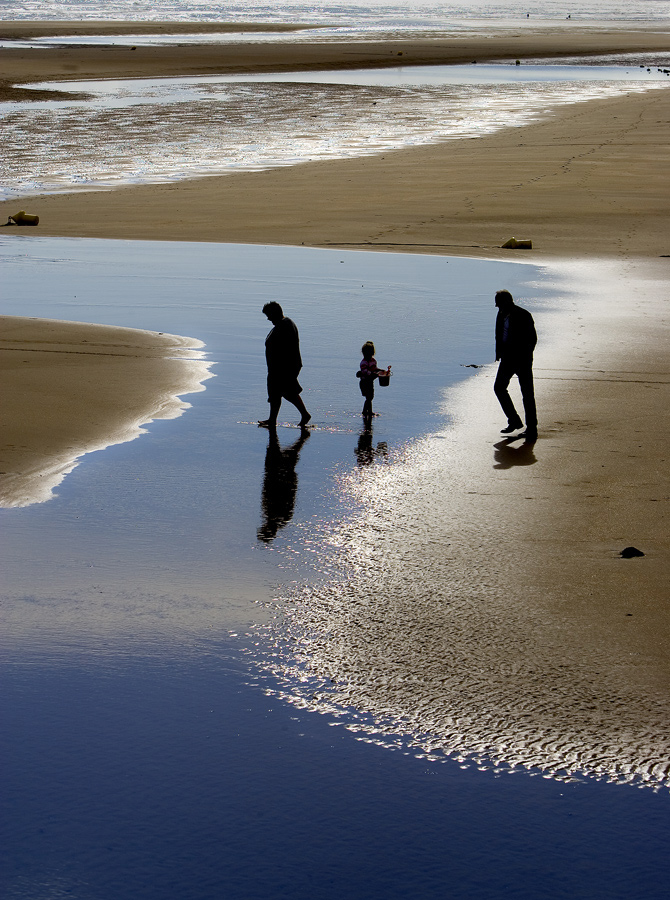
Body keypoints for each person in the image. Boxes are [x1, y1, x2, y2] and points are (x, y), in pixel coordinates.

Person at [493, 289, 538, 441]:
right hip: (507, 359)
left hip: (522, 360)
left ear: (507, 302)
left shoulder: (523, 315)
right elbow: (499, 335)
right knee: (499, 388)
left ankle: (532, 428)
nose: (498, 308)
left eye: (499, 305)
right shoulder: (501, 314)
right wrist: (499, 353)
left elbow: (532, 339)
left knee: (527, 395)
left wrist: (525, 356)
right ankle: (514, 420)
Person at [259, 301, 311, 429]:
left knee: (286, 392)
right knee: (276, 393)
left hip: (283, 367)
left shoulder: (285, 325)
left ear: (275, 313)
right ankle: (272, 419)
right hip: (278, 367)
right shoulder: (282, 324)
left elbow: (286, 348)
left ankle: (304, 414)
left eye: (269, 315)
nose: (268, 318)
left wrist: (282, 368)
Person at [356, 341, 390, 419]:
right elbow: (365, 371)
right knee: (368, 397)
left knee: (370, 397)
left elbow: (375, 369)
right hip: (364, 382)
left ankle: (369, 412)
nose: (368, 356)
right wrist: (373, 374)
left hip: (370, 382)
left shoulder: (373, 361)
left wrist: (381, 371)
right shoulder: (363, 362)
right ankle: (365, 411)